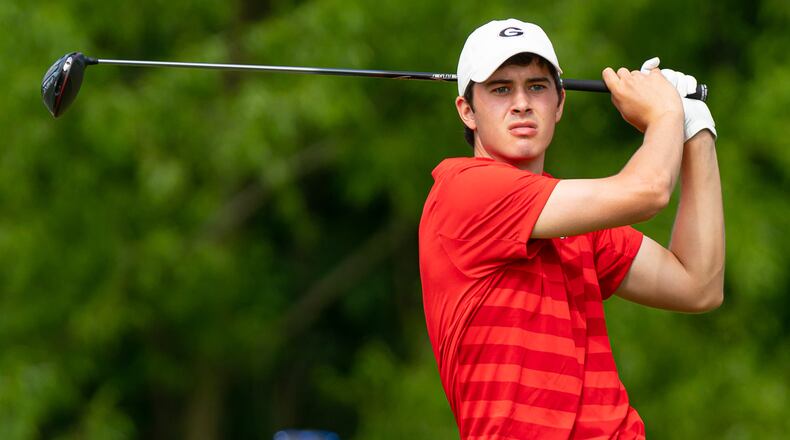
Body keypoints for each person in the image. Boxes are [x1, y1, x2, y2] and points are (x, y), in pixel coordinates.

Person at [418, 18, 724, 439]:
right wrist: (666, 113)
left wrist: (695, 129)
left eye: (537, 87)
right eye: (501, 89)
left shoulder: (574, 221)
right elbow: (649, 191)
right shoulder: (464, 190)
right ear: (467, 111)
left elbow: (698, 285)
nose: (521, 103)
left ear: (559, 103)